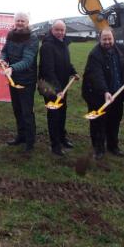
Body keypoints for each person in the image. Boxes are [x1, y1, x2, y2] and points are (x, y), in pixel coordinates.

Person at [81, 28, 124, 159]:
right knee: (98, 122)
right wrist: (105, 91)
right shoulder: (95, 55)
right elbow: (97, 76)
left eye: (109, 39)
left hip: (117, 93)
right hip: (97, 94)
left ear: (114, 38)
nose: (107, 41)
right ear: (99, 39)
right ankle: (98, 148)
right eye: (104, 39)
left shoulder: (122, 49)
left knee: (115, 120)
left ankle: (113, 146)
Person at [38, 20, 79, 157]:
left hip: (62, 85)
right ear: (52, 30)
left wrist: (73, 71)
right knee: (54, 114)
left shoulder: (64, 43)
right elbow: (48, 70)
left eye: (62, 30)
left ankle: (62, 138)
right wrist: (57, 89)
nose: (60, 33)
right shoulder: (47, 45)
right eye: (57, 30)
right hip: (49, 86)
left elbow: (66, 62)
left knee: (62, 112)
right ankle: (55, 145)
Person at [0, 12, 39, 153]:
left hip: (27, 81)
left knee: (27, 112)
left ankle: (30, 141)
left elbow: (28, 60)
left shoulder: (33, 38)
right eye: (18, 20)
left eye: (23, 21)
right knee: (17, 110)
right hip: (13, 79)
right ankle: (20, 136)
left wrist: (12, 68)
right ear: (14, 21)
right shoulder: (10, 35)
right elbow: (4, 51)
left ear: (27, 22)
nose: (20, 23)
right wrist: (3, 59)